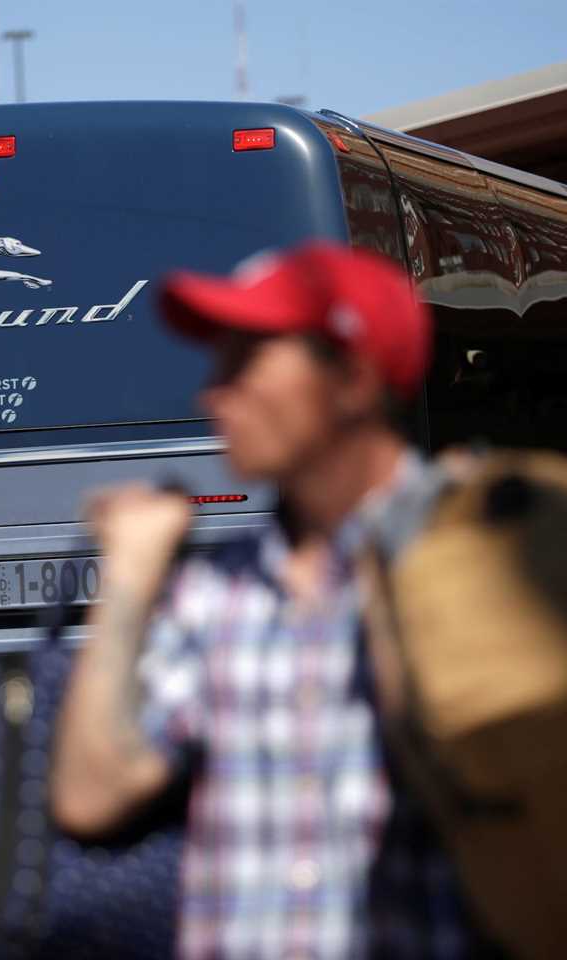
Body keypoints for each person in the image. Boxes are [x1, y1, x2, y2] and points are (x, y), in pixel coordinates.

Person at [50, 243, 500, 959]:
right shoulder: (216, 591)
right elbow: (91, 793)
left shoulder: (482, 555)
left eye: (244, 362)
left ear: (352, 380)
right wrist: (129, 582)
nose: (212, 394)